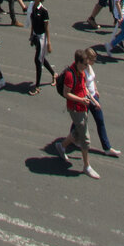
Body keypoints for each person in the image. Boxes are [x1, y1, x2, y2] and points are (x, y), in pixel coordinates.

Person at [50, 49, 100, 179]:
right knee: (85, 138)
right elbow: (67, 93)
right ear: (78, 62)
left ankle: (61, 146)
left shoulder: (81, 72)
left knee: (77, 133)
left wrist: (93, 101)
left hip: (83, 107)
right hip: (75, 108)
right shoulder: (70, 75)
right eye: (84, 64)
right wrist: (81, 100)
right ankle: (86, 166)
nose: (86, 67)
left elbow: (84, 88)